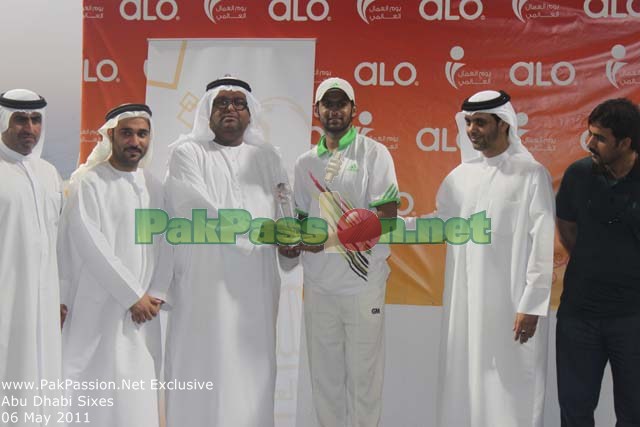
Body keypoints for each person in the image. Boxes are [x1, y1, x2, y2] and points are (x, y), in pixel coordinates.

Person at [154, 77, 290, 427]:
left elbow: (284, 210)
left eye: (239, 103)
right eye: (222, 103)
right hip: (204, 283)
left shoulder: (268, 157)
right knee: (203, 362)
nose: (230, 109)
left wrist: (289, 243)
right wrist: (257, 232)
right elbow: (196, 208)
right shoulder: (188, 153)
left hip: (255, 289)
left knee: (252, 371)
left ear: (250, 114)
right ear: (208, 112)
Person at [435, 90, 555, 427]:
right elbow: (441, 225)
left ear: (504, 125)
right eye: (469, 122)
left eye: (481, 122)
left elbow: (542, 243)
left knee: (511, 385)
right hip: (466, 305)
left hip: (511, 305)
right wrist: (393, 227)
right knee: (464, 383)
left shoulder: (532, 174)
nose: (472, 129)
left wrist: (532, 304)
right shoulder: (459, 178)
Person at [287, 77, 399, 427]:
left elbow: (388, 217)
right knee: (326, 380)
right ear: (316, 111)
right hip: (319, 286)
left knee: (365, 381)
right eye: (327, 104)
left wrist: (330, 239)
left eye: (341, 104)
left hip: (363, 285)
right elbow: (301, 221)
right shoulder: (305, 163)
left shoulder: (373, 153)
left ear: (354, 109)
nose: (334, 111)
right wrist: (291, 242)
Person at [58, 103, 162, 427]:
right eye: (127, 133)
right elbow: (92, 245)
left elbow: (166, 244)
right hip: (97, 308)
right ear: (111, 135)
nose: (135, 141)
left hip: (143, 313)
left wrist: (154, 293)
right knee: (93, 396)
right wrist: (132, 295)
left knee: (135, 401)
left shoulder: (154, 186)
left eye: (142, 134)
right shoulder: (88, 183)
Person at [555, 98, 640, 427]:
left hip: (632, 319)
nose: (590, 143)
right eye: (589, 134)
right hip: (579, 316)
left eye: (600, 138)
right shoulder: (578, 175)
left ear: (626, 143)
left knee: (633, 413)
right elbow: (566, 227)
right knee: (575, 411)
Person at [0, 89, 63, 426]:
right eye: (20, 119)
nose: (29, 128)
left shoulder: (49, 173)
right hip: (5, 299)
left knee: (41, 375)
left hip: (43, 300)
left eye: (36, 119)